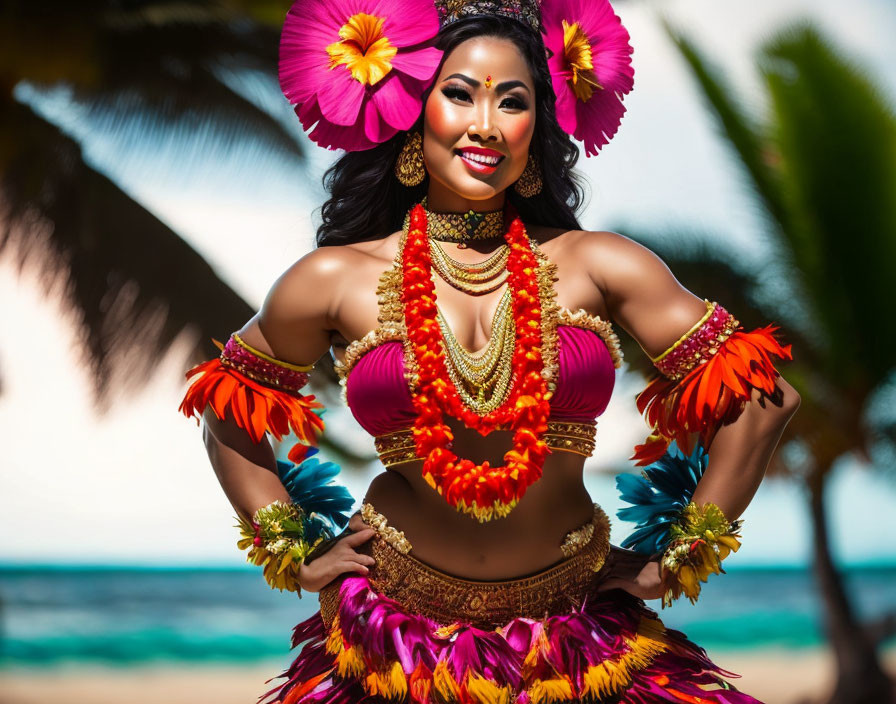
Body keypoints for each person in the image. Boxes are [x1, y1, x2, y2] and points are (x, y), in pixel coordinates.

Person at [180, 0, 800, 701]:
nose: (485, 125)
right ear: (415, 112)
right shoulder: (331, 281)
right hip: (392, 651)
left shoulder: (599, 265)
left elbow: (763, 398)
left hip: (584, 636)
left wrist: (678, 556)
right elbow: (225, 412)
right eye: (459, 94)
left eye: (512, 101)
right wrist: (299, 552)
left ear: (537, 128)